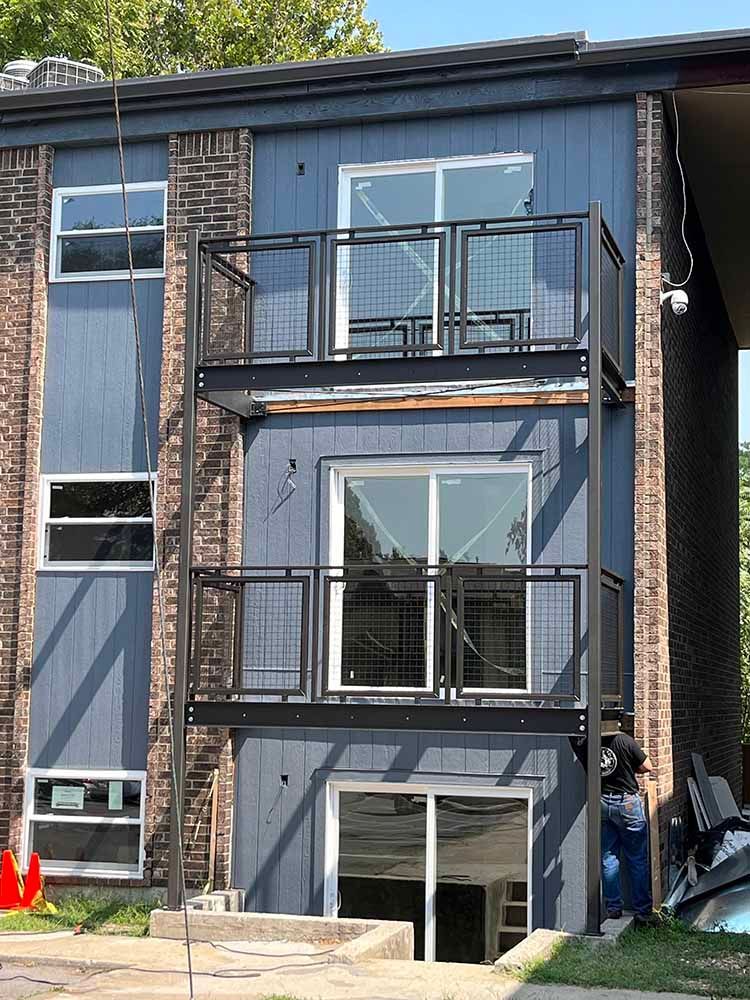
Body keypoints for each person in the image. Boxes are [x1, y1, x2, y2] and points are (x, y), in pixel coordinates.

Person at [600, 732, 659, 927]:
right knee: (637, 858)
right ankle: (642, 911)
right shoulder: (623, 740)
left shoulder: (589, 740)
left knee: (608, 857)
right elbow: (648, 766)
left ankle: (613, 907)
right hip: (626, 803)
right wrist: (627, 767)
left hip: (602, 802)